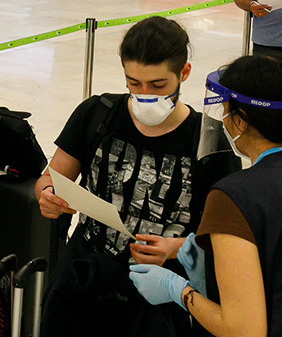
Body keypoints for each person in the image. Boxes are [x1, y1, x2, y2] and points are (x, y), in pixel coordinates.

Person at [128, 55, 282, 337]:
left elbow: (243, 330)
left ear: (240, 122)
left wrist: (178, 290)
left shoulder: (235, 195)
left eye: (226, 112)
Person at [36, 17, 216, 337]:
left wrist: (174, 247)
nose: (144, 94)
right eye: (134, 83)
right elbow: (50, 177)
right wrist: (48, 195)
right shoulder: (97, 113)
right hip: (85, 276)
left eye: (158, 85)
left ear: (184, 73)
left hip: (159, 292)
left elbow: (221, 235)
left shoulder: (209, 141)